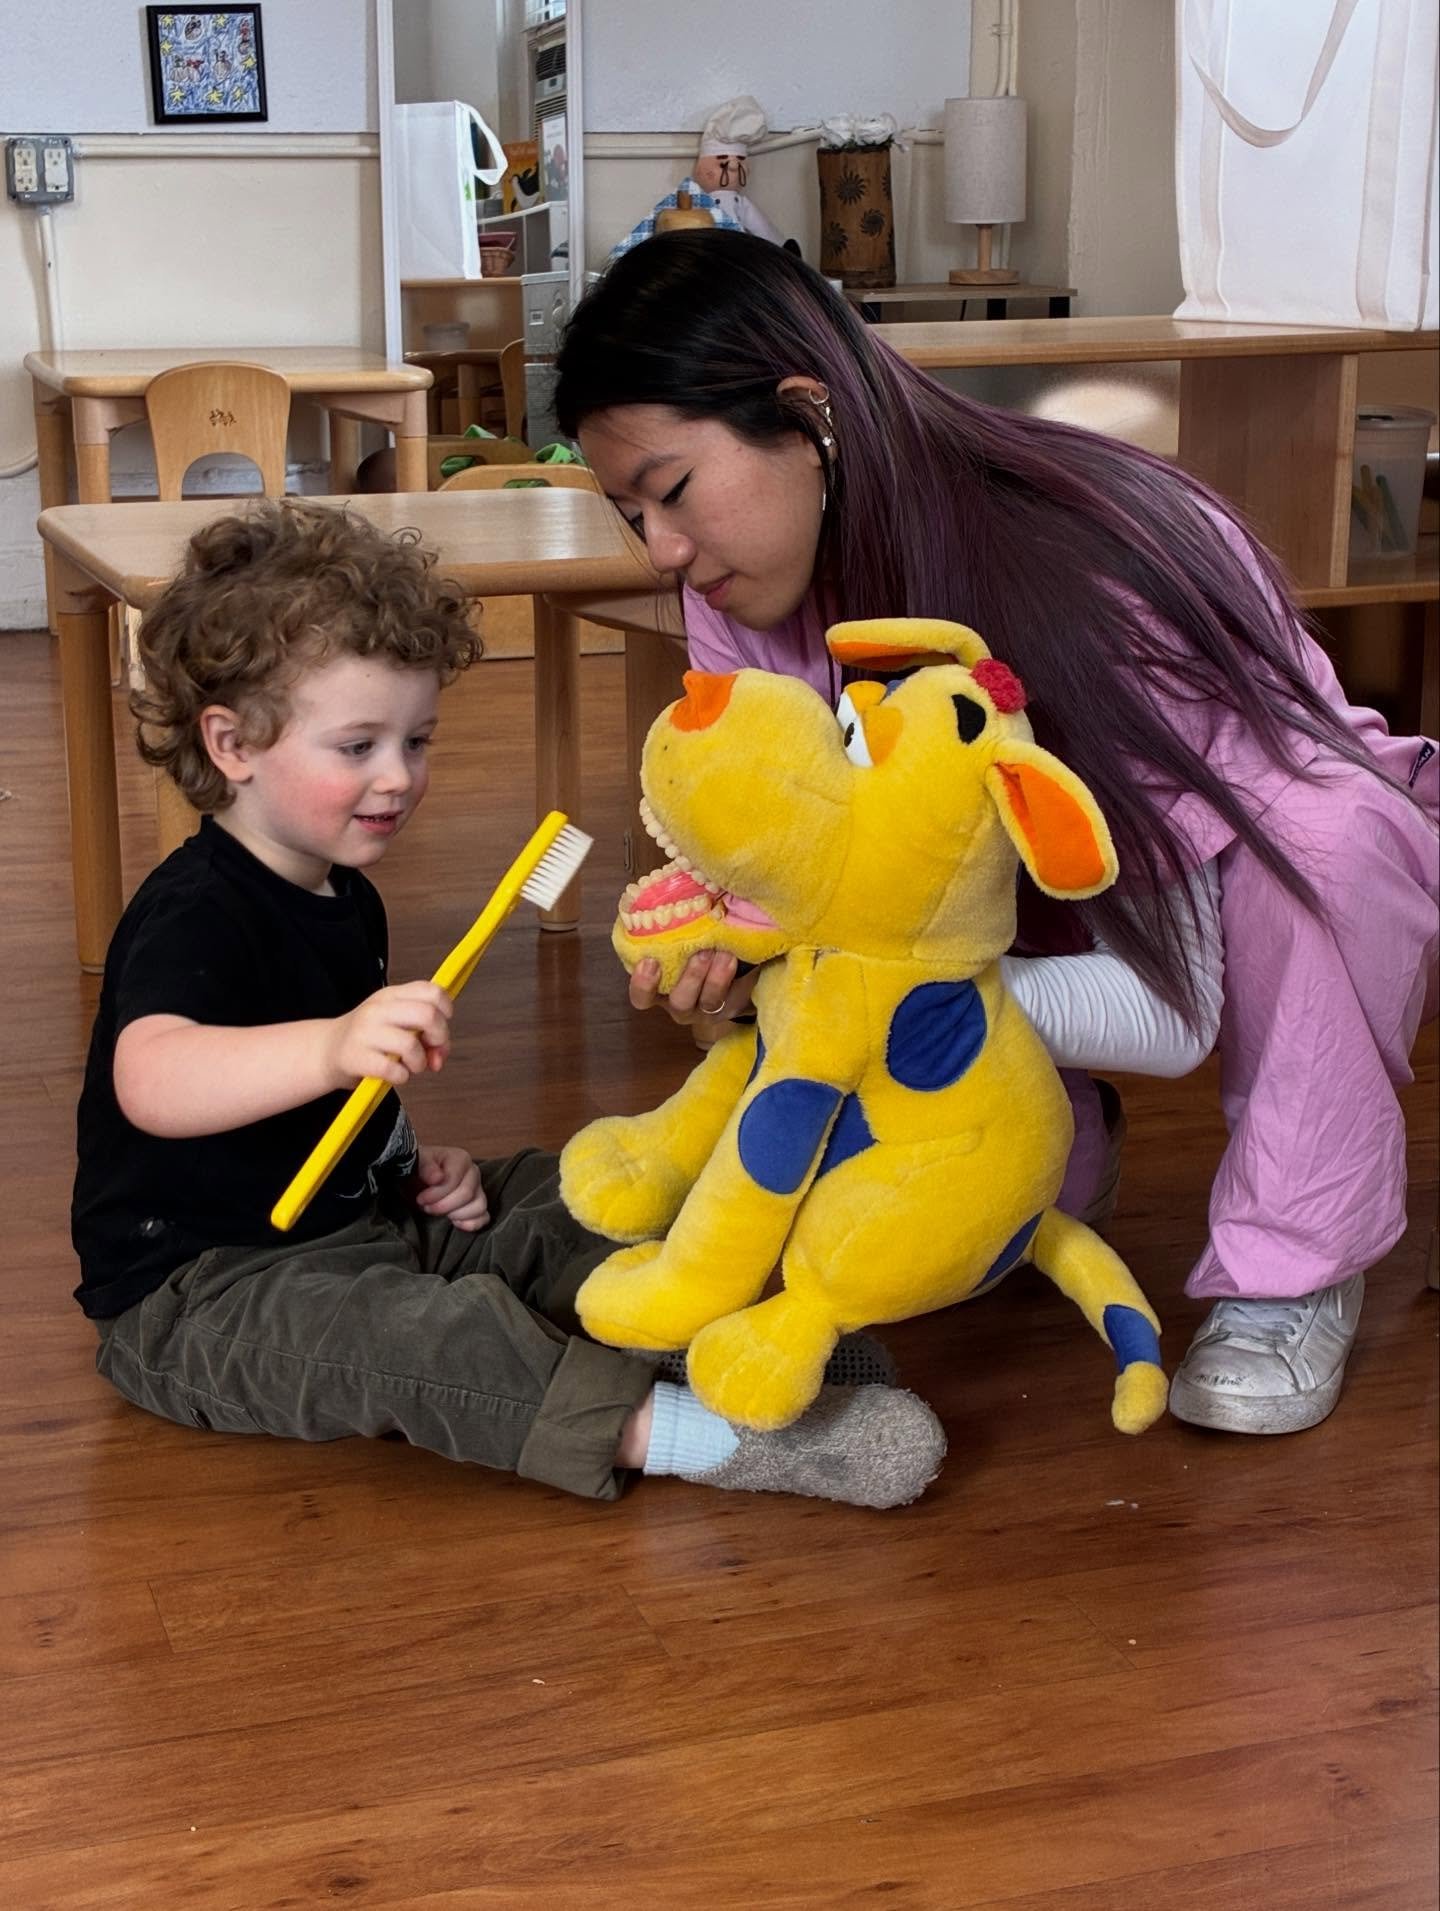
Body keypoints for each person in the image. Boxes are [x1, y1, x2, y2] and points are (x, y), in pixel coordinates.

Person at [553, 228, 1440, 1439]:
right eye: (626, 512)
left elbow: (1172, 1009)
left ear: (808, 417)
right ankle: (1062, 1126)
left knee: (1322, 858)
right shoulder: (742, 597)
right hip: (993, 909)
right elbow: (802, 876)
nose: (661, 551)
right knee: (969, 1213)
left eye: (672, 493)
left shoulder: (1093, 569)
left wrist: (893, 997)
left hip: (1238, 847)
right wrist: (739, 950)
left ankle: (1298, 1261)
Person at [70, 499, 944, 1510]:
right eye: (357, 747)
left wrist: (405, 1168)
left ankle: (720, 1331)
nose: (399, 777)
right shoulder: (195, 909)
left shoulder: (340, 890)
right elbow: (155, 1078)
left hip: (354, 1222)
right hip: (204, 1292)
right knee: (426, 1337)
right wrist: (332, 1046)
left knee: (566, 1189)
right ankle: (705, 1438)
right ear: (231, 744)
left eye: (418, 740)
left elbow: (336, 1107)